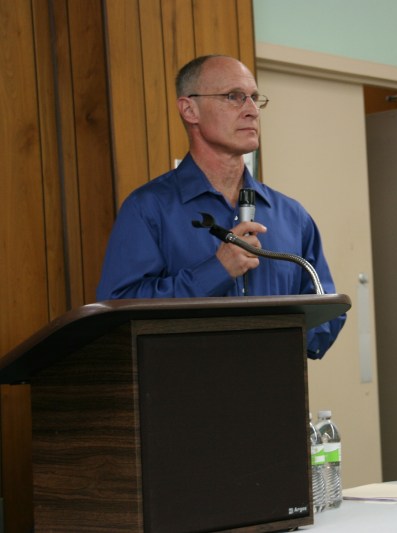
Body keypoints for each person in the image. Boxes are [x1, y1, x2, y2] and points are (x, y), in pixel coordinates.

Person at [96, 54, 345, 358]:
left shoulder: (292, 215)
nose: (252, 111)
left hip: (277, 393)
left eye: (255, 98)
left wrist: (281, 342)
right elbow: (118, 312)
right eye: (234, 97)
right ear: (190, 109)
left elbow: (326, 315)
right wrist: (217, 271)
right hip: (181, 395)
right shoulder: (148, 208)